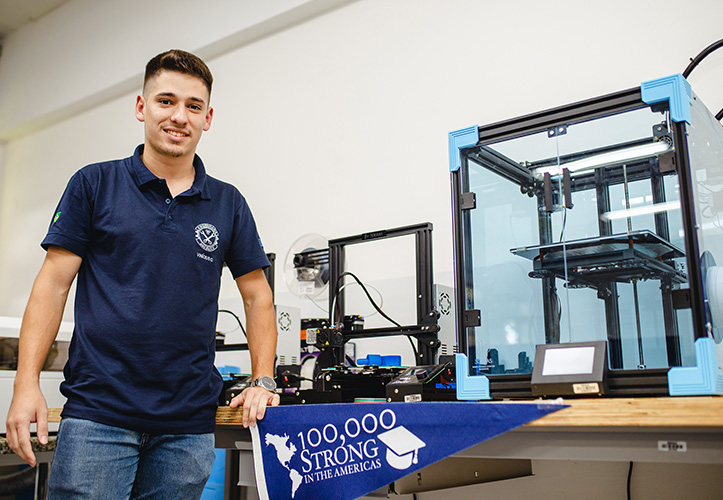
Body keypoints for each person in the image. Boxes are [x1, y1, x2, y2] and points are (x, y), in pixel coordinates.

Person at [5, 49, 280, 499]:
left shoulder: (228, 203)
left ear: (207, 118)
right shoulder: (94, 184)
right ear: (141, 107)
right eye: (166, 101)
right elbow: (52, 285)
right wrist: (25, 384)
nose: (179, 116)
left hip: (186, 426)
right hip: (98, 416)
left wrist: (262, 379)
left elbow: (257, 296)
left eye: (193, 106)